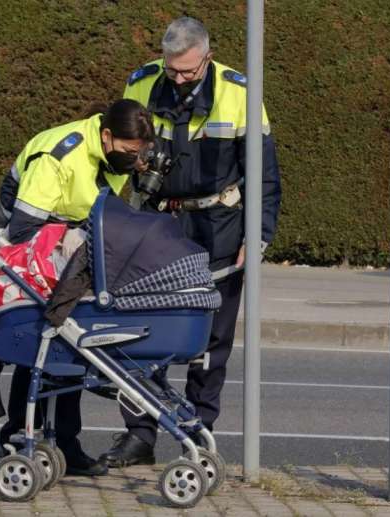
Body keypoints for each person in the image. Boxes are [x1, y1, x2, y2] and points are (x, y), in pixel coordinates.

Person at [101, 17, 282, 467]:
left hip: (218, 225)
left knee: (211, 341)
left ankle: (197, 435)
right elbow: (115, 154)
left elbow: (265, 174)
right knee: (140, 335)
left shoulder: (240, 93)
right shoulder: (142, 83)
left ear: (208, 56)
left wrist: (257, 236)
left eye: (188, 71)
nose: (178, 79)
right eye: (172, 70)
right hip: (156, 225)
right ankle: (139, 436)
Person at [0, 99, 155, 476]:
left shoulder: (109, 153)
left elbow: (101, 205)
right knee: (41, 343)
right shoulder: (59, 156)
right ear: (106, 135)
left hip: (72, 243)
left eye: (140, 154)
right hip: (33, 248)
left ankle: (64, 442)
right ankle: (19, 437)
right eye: (129, 153)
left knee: (69, 344)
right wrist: (69, 234)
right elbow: (21, 228)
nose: (133, 160)